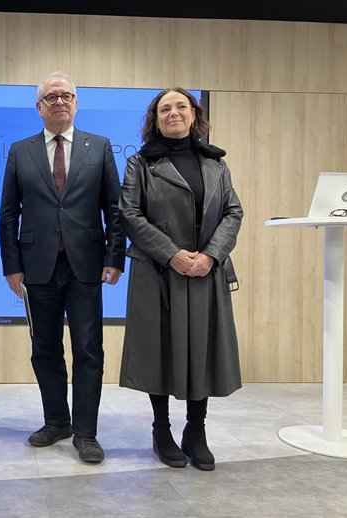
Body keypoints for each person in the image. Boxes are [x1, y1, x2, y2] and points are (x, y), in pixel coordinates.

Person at [0, 72, 126, 463]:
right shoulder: (21, 151)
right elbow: (8, 214)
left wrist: (115, 256)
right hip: (37, 269)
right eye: (51, 96)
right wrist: (11, 266)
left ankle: (86, 433)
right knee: (44, 349)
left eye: (66, 95)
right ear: (39, 107)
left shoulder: (99, 147)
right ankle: (57, 420)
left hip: (86, 266)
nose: (59, 101)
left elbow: (114, 208)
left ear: (75, 103)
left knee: (89, 350)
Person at [118, 87, 243, 471]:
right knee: (159, 349)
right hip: (158, 270)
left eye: (181, 106)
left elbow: (233, 212)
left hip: (205, 271)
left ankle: (196, 430)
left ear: (194, 115)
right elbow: (129, 213)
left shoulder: (216, 163)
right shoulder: (140, 162)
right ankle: (161, 430)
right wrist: (172, 253)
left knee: (201, 351)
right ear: (155, 120)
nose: (173, 113)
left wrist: (210, 255)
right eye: (164, 108)